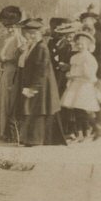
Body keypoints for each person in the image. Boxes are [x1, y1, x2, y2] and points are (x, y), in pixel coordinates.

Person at [16, 17, 64, 146]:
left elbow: (41, 70)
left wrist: (34, 87)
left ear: (39, 34)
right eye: (29, 34)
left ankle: (35, 140)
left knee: (37, 111)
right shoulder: (33, 46)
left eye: (34, 34)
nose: (31, 36)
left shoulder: (41, 47)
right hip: (37, 84)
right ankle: (30, 139)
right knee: (33, 110)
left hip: (41, 85)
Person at [0, 5, 25, 141]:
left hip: (13, 73)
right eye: (7, 27)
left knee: (9, 101)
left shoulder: (19, 39)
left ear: (17, 26)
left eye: (12, 27)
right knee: (3, 101)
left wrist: (6, 59)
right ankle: (2, 130)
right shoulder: (7, 39)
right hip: (6, 72)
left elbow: (20, 58)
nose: (10, 30)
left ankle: (10, 132)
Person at [60, 30, 99, 142]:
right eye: (78, 44)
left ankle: (91, 131)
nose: (80, 46)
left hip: (84, 86)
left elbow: (88, 74)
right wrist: (70, 73)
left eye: (82, 44)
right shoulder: (75, 57)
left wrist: (73, 74)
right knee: (76, 110)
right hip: (75, 84)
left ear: (88, 45)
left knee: (83, 110)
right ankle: (80, 134)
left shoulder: (88, 58)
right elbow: (73, 69)